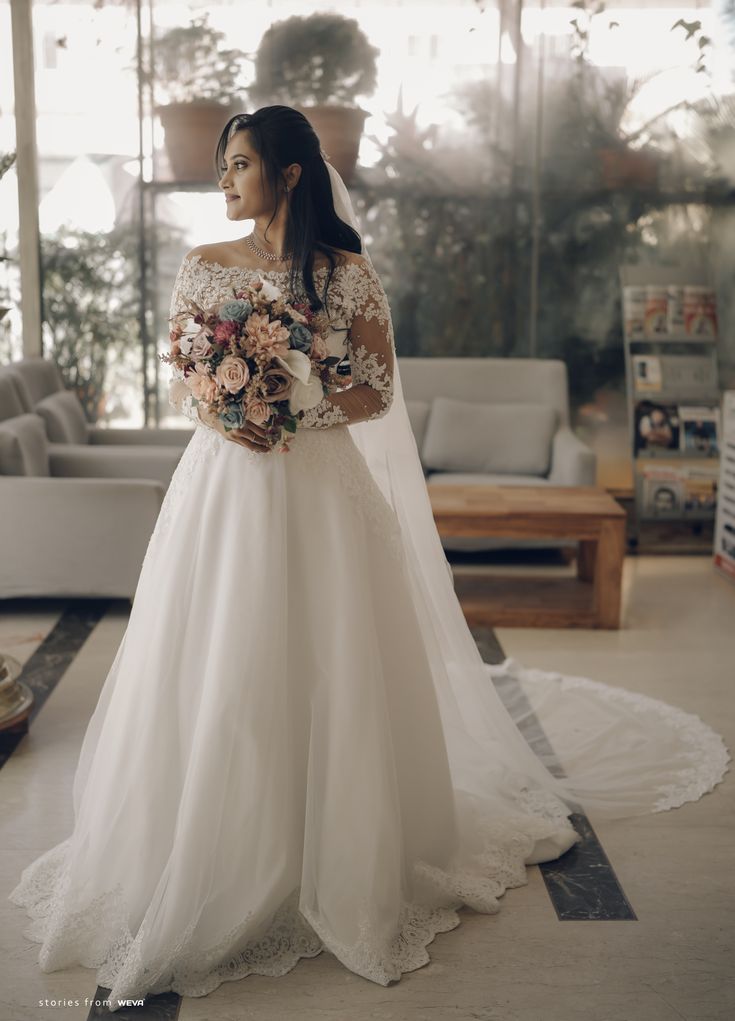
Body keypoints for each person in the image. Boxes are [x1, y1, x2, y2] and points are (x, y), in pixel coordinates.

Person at [8, 106, 730, 1011]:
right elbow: (189, 375)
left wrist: (291, 403)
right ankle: (216, 841)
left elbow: (376, 387)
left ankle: (340, 853)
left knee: (334, 656)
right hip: (225, 491)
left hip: (317, 484)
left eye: (239, 165)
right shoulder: (204, 267)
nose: (223, 181)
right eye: (222, 166)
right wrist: (238, 407)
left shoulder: (347, 274)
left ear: (291, 174)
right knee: (222, 657)